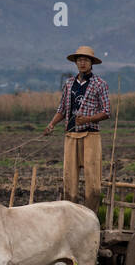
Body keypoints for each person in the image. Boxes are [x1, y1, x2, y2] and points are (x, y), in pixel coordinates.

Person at [43, 46, 110, 212]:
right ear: (75, 62)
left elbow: (106, 112)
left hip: (91, 136)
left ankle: (91, 216)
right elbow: (62, 110)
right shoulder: (69, 84)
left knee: (93, 184)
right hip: (71, 135)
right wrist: (51, 124)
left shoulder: (100, 84)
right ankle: (70, 217)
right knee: (69, 181)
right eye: (79, 60)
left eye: (86, 60)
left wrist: (87, 119)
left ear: (91, 63)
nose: (82, 63)